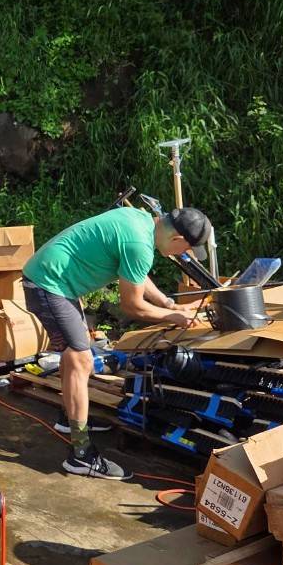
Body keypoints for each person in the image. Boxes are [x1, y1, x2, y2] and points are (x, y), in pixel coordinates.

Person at [22, 206, 212, 480]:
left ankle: (69, 418)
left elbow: (135, 273)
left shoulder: (141, 222)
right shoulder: (139, 245)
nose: (183, 255)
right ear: (178, 239)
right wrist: (172, 316)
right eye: (187, 249)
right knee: (80, 358)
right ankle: (81, 455)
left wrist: (169, 304)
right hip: (49, 283)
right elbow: (132, 306)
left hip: (56, 278)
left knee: (75, 355)